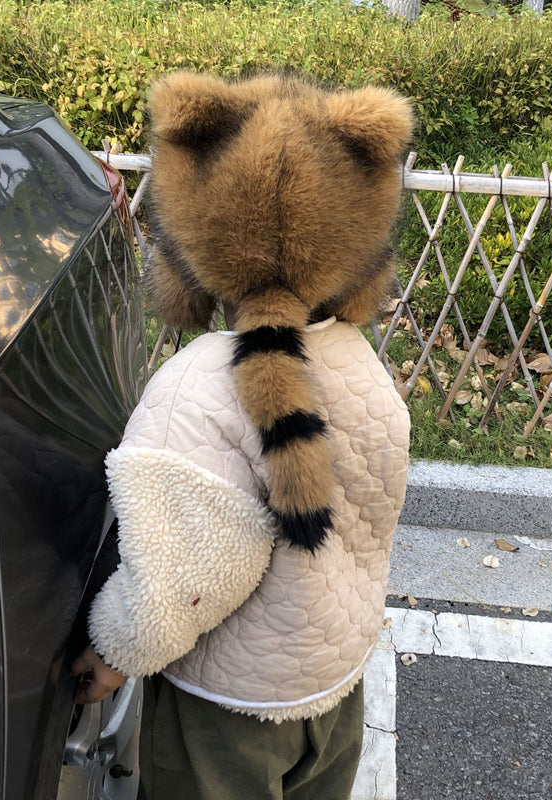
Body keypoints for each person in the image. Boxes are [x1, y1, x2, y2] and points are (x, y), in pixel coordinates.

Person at [71, 70, 414, 800]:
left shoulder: (193, 388)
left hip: (227, 707)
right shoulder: (362, 367)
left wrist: (116, 652)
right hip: (333, 684)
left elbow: (186, 575)